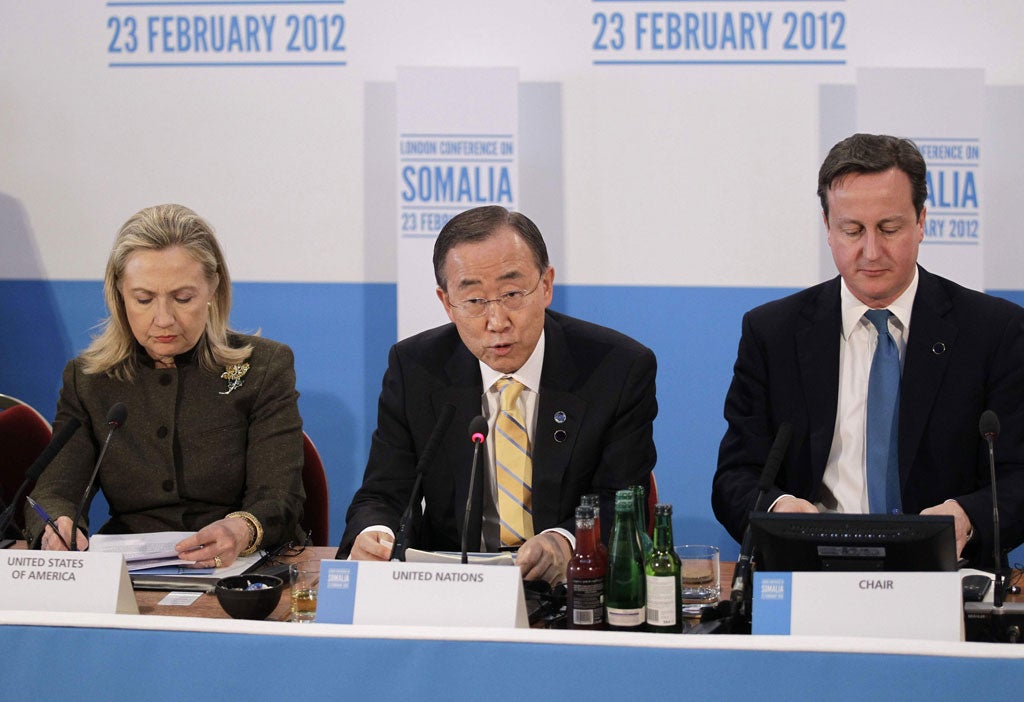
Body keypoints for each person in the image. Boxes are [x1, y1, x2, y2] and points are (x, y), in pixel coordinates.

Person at [712, 133, 1024, 569]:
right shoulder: (773, 334)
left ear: (922, 221)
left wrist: (968, 518)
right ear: (827, 227)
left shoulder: (993, 331)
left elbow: (1017, 475)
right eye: (852, 230)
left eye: (889, 228)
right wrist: (779, 510)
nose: (871, 251)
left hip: (948, 576)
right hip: (811, 573)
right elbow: (736, 477)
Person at [339, 205, 658, 584]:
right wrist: (376, 535)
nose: (497, 322)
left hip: (570, 587)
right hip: (451, 586)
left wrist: (565, 540)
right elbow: (384, 493)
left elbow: (622, 499)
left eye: (511, 293)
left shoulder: (617, 368)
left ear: (546, 285)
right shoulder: (415, 369)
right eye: (474, 301)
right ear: (447, 303)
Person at [27, 204, 306, 567]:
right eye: (143, 299)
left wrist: (241, 530)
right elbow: (55, 490)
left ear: (213, 287)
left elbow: (279, 494)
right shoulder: (89, 379)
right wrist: (57, 527)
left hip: (241, 566)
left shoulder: (263, 367)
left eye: (182, 298)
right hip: (130, 570)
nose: (163, 319)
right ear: (119, 295)